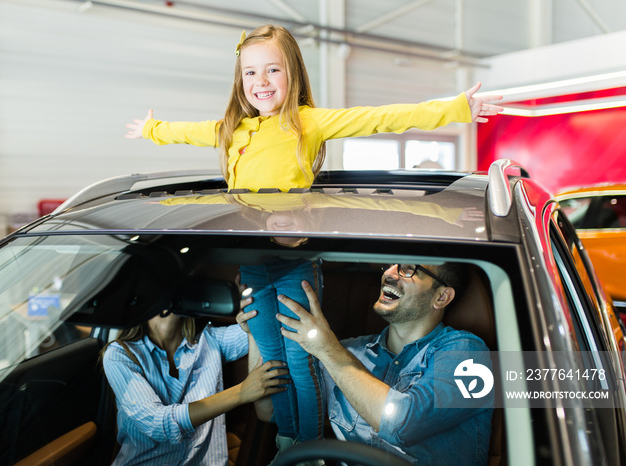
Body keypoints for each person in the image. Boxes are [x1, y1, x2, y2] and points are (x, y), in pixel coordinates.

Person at [125, 24, 502, 453]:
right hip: (251, 264)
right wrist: (153, 129)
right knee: (271, 357)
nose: (261, 83)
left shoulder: (307, 124)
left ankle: (299, 445)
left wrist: (455, 108)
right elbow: (187, 131)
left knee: (301, 361)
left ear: (294, 75)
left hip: (292, 262)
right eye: (250, 73)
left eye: (272, 70)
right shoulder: (234, 129)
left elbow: (381, 117)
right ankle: (290, 441)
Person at [244, 262, 493, 466]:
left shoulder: (469, 353)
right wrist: (256, 331)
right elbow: (270, 411)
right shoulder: (349, 351)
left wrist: (328, 351)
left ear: (441, 297)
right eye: (389, 265)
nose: (389, 274)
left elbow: (402, 425)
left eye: (407, 269)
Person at [101, 292, 287, 466]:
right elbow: (157, 424)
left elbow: (265, 326)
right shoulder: (120, 355)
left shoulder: (211, 341)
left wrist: (251, 301)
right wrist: (241, 392)